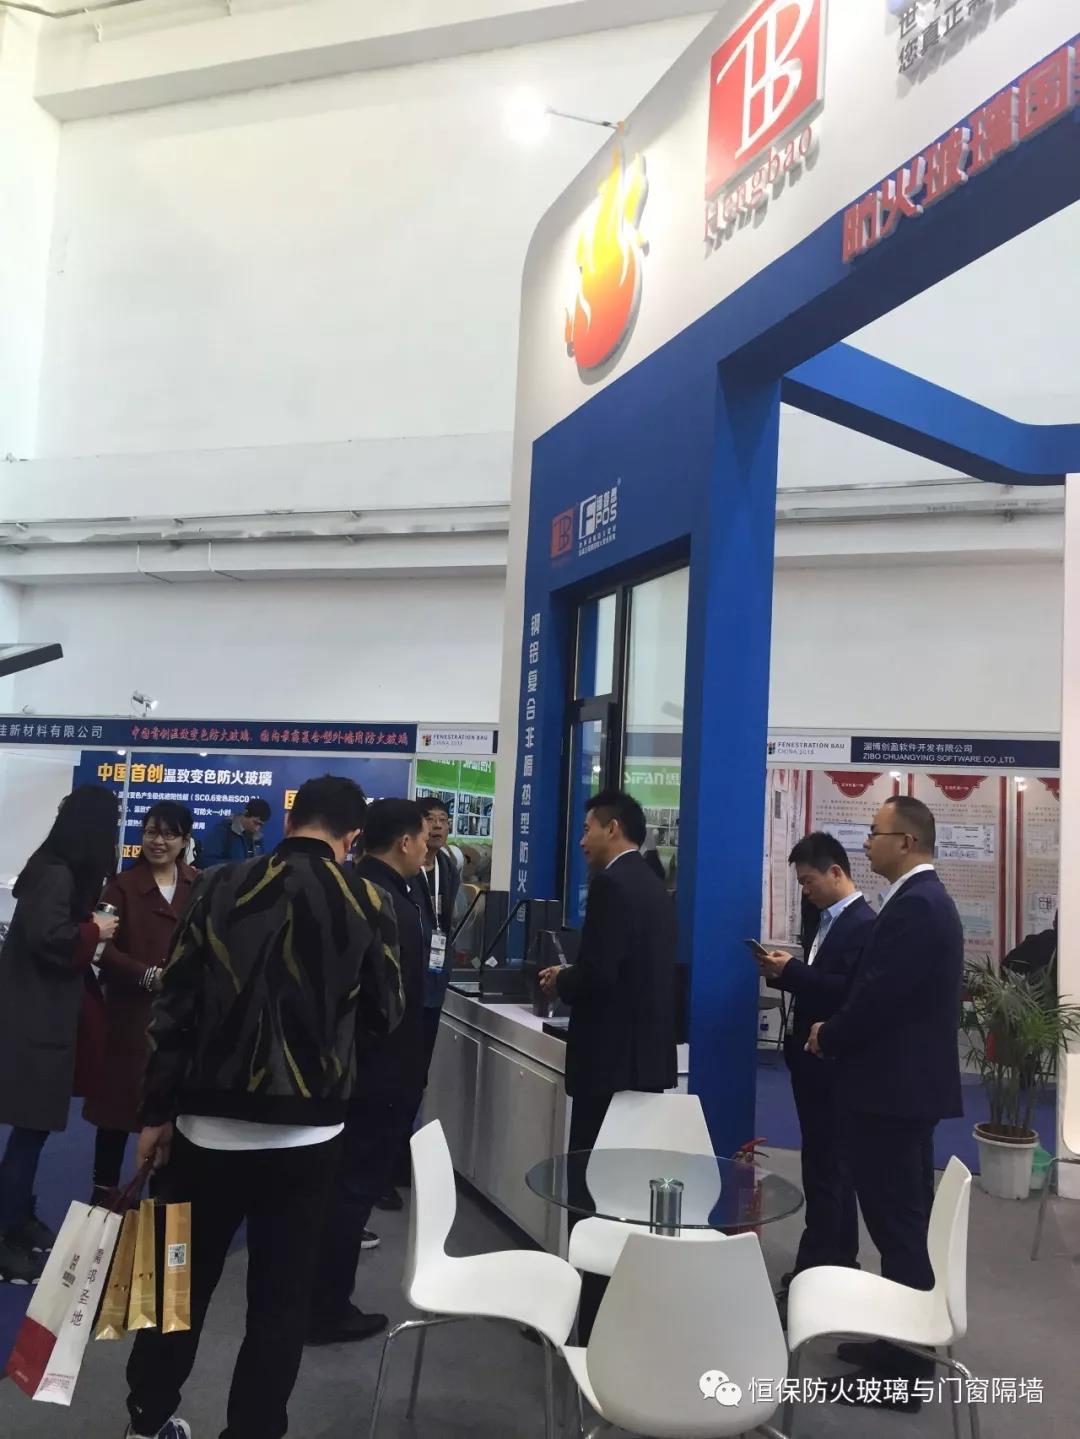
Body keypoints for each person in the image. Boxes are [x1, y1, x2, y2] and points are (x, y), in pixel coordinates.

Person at [123, 775, 403, 1439]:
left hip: (202, 1129)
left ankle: (145, 1420)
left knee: (172, 1288)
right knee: (280, 1305)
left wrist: (155, 1113)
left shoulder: (218, 885)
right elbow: (385, 1015)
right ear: (351, 836)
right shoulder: (369, 900)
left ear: (289, 820)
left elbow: (174, 1006)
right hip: (308, 1139)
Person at [806, 795, 963, 1411]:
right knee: (897, 1223)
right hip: (895, 1091)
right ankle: (896, 1340)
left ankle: (905, 1371)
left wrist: (830, 1034)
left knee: (899, 1227)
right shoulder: (913, 901)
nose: (866, 842)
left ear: (907, 842)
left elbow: (879, 997)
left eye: (875, 832)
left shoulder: (919, 905)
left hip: (894, 1094)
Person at [538, 789, 677, 1342]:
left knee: (589, 1191)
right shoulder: (653, 884)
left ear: (612, 828)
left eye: (587, 829)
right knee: (623, 1190)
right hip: (642, 1063)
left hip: (608, 1063)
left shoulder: (612, 885)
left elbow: (600, 973)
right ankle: (616, 1312)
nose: (582, 841)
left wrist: (561, 979)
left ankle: (589, 1320)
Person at [308, 799, 430, 1345]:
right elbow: (394, 1008)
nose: (426, 850)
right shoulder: (392, 906)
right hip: (379, 1074)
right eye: (423, 839)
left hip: (335, 1069)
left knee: (332, 1188)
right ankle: (328, 1308)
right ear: (404, 841)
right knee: (351, 1192)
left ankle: (315, 1298)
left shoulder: (348, 888)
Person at [0, 785, 121, 1285]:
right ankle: (6, 1232)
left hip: (42, 1014)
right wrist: (95, 931)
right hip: (36, 1019)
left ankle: (16, 1215)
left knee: (34, 1129)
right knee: (30, 1129)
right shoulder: (57, 874)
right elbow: (50, 939)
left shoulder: (55, 868)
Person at [757, 832, 875, 1283]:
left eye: (809, 881)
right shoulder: (825, 920)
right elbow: (819, 982)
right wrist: (783, 973)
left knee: (830, 1169)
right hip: (809, 1059)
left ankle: (819, 1265)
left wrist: (795, 972)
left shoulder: (863, 925)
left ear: (836, 872)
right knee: (824, 1165)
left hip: (834, 1065)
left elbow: (850, 993)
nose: (805, 891)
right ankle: (836, 1262)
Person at [84, 802, 198, 1204]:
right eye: (151, 832)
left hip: (181, 1019)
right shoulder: (121, 886)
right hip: (129, 1016)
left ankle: (161, 1205)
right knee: (116, 1113)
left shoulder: (199, 884)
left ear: (185, 839)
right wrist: (145, 974)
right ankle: (104, 1195)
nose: (158, 841)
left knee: (171, 1115)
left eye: (168, 834)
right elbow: (100, 948)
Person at [416, 796, 462, 1080]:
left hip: (435, 972)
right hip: (409, 974)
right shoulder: (407, 866)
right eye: (430, 819)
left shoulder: (448, 868)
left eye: (443, 820)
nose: (437, 826)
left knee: (422, 1060)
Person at [199, 796, 271, 867]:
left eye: (261, 825)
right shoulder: (223, 830)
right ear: (246, 814)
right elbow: (206, 862)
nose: (257, 829)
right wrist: (239, 866)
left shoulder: (257, 838)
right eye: (255, 823)